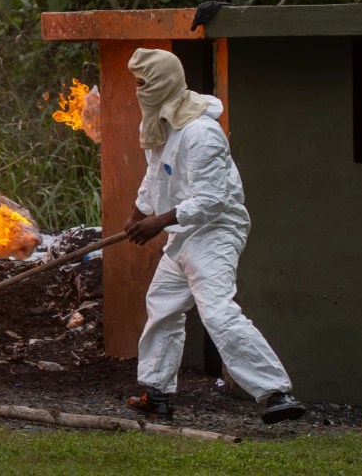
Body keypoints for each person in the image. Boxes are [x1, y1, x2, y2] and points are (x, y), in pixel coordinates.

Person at [122, 47, 305, 424]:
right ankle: (156, 394)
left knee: (218, 311)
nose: (139, 90)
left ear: (164, 83)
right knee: (163, 306)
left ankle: (275, 394)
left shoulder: (202, 133)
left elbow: (213, 199)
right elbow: (156, 175)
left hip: (215, 232)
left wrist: (159, 222)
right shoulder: (161, 124)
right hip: (183, 234)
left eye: (144, 83)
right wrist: (137, 215)